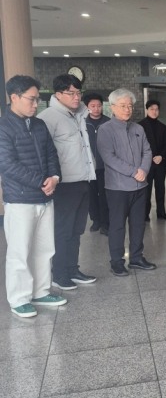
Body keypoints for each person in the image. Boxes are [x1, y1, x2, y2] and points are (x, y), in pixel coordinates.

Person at [0, 75, 66, 318]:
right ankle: (19, 299)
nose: (35, 103)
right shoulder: (3, 127)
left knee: (44, 248)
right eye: (31, 99)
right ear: (14, 97)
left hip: (44, 198)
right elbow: (7, 165)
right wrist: (41, 181)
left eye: (38, 99)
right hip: (20, 201)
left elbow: (52, 154)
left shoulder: (38, 125)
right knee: (20, 252)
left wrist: (54, 178)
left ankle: (40, 291)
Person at [40, 74, 97, 290]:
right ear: (57, 94)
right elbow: (45, 153)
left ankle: (73, 269)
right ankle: (59, 273)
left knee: (77, 230)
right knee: (63, 230)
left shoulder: (79, 115)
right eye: (70, 93)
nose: (76, 97)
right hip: (63, 184)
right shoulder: (49, 117)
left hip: (83, 180)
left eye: (78, 92)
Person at [97, 89, 156, 276]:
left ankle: (137, 258)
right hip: (118, 188)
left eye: (130, 105)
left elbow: (147, 151)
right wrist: (134, 172)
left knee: (138, 224)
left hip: (140, 186)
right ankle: (117, 261)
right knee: (117, 225)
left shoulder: (138, 128)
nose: (127, 109)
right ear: (112, 107)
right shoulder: (106, 130)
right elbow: (109, 157)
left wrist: (144, 170)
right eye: (123, 106)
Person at [82, 91, 110, 235]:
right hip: (88, 167)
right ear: (87, 107)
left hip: (105, 167)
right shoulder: (82, 123)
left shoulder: (108, 122)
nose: (96, 108)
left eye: (99, 105)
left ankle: (106, 223)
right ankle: (96, 220)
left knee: (105, 195)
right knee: (91, 197)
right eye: (93, 106)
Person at [139, 99, 166, 220]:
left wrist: (161, 156)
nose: (154, 111)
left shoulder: (163, 127)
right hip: (146, 164)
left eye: (157, 109)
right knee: (146, 190)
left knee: (160, 189)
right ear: (147, 110)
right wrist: (149, 157)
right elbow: (138, 146)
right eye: (152, 109)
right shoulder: (140, 126)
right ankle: (145, 214)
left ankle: (161, 213)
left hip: (160, 163)